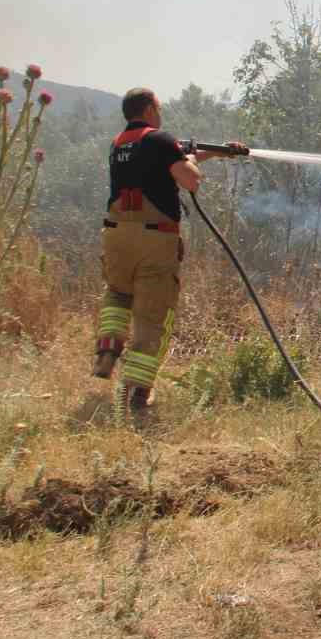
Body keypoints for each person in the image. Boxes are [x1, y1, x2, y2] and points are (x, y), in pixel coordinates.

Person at [94, 87, 243, 418]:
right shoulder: (160, 139)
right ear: (148, 108)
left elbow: (167, 160)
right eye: (158, 108)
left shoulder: (119, 144)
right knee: (153, 316)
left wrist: (215, 152)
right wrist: (191, 160)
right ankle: (136, 392)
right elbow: (188, 179)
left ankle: (107, 350)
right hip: (153, 241)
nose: (160, 114)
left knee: (118, 294)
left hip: (116, 237)